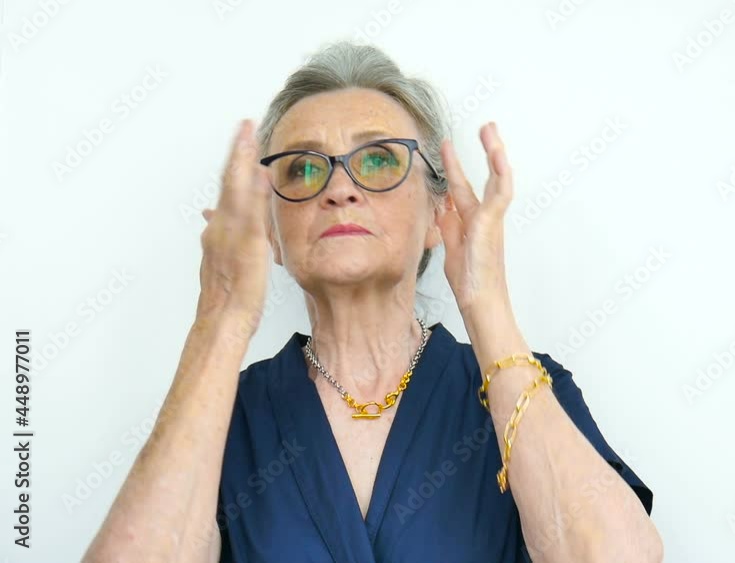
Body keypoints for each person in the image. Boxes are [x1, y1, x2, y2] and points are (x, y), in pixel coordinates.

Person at [82, 41, 662, 563]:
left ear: (440, 212)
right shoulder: (223, 416)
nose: (339, 188)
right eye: (303, 168)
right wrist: (222, 312)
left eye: (379, 160)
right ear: (271, 234)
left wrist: (484, 302)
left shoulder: (531, 391)